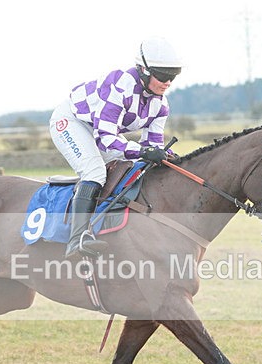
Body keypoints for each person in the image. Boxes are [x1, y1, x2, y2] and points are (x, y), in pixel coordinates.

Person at [49, 36, 182, 258]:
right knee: (95, 172)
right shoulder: (120, 85)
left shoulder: (161, 104)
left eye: (173, 76)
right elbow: (106, 139)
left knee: (129, 169)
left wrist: (164, 155)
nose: (168, 82)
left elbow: (151, 146)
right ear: (143, 70)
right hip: (71, 122)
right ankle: (76, 240)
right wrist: (143, 151)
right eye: (163, 75)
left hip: (99, 130)